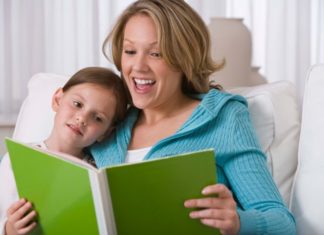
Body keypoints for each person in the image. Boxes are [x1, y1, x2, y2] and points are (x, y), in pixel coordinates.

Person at [91, 0, 296, 234]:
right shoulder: (107, 121)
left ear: (183, 59)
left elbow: (283, 223)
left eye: (156, 53)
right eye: (129, 51)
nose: (138, 66)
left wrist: (238, 222)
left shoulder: (222, 118)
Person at [0, 67, 128, 235]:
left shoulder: (98, 174)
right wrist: (9, 229)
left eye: (97, 118)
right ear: (57, 99)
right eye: (77, 104)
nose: (81, 119)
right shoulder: (15, 160)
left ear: (106, 133)